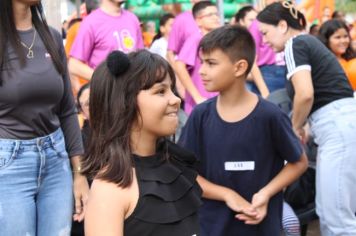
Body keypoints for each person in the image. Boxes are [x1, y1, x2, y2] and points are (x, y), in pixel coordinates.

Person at [83, 49, 258, 236]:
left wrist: (227, 194)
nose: (176, 100)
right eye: (160, 91)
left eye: (172, 90)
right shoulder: (109, 190)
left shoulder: (175, 163)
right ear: (124, 103)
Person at [179, 25, 308, 235]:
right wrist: (227, 194)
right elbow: (185, 172)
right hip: (212, 227)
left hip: (263, 227)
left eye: (211, 63)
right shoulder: (200, 116)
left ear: (239, 67)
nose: (201, 70)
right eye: (202, 62)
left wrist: (266, 193)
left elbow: (299, 162)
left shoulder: (270, 115)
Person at [257, 2, 356, 235]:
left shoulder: (295, 44)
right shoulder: (306, 43)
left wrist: (294, 127)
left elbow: (305, 94)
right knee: (331, 212)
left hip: (338, 128)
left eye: (265, 33)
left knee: (338, 219)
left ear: (282, 26)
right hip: (339, 125)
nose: (264, 41)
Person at [0, 1, 89, 235]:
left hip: (56, 160)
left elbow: (67, 110)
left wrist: (79, 173)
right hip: (9, 164)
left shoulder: (51, 36)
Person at [68, 0, 144, 81]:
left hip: (132, 90)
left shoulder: (132, 19)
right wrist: (105, 81)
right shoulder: (91, 22)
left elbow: (141, 58)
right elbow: (74, 65)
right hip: (106, 92)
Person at [174, 1, 220, 115]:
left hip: (218, 100)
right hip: (201, 103)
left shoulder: (218, 39)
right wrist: (197, 97)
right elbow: (179, 65)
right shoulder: (196, 38)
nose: (215, 18)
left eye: (216, 14)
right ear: (198, 21)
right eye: (210, 15)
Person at [319, 19, 356, 90]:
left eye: (345, 36)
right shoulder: (322, 65)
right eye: (337, 37)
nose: (343, 41)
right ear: (326, 40)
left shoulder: (353, 59)